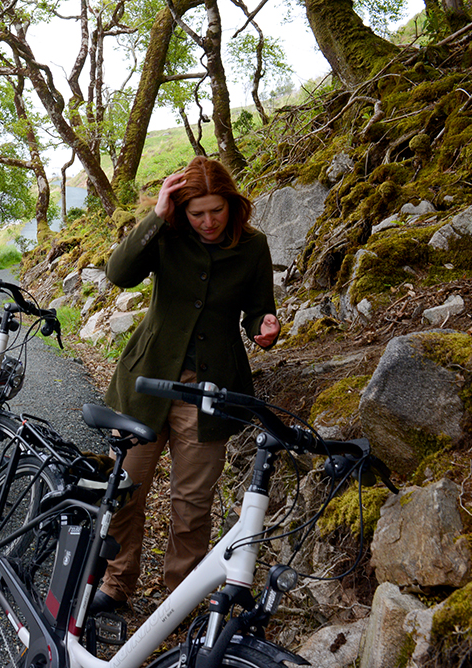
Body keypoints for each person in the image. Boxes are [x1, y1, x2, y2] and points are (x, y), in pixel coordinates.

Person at [89, 156, 281, 615]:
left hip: (209, 392)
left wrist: (265, 325)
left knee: (192, 506)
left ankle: (179, 600)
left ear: (232, 206)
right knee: (126, 491)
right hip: (146, 384)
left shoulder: (253, 246)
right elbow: (119, 273)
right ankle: (117, 584)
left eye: (217, 211)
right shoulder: (166, 234)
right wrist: (156, 215)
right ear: (182, 209)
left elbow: (258, 308)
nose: (209, 222)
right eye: (198, 213)